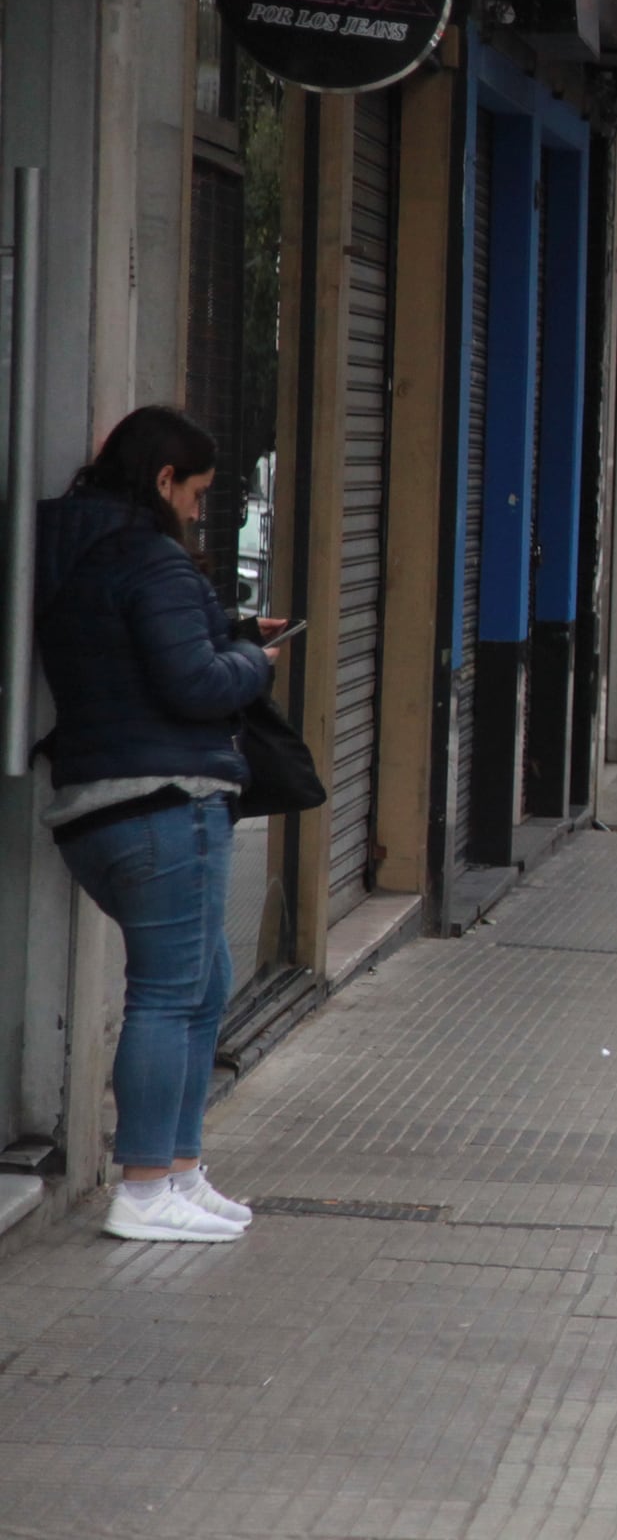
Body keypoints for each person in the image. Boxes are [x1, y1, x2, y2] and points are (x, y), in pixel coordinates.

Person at [34, 406, 286, 1244]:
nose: (198, 512)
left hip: (102, 803)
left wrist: (233, 633)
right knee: (170, 992)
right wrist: (254, 662)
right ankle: (143, 1185)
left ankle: (178, 1168)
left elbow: (133, 652)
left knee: (203, 983)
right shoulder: (153, 560)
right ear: (163, 480)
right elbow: (198, 687)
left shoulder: (74, 552)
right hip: (164, 803)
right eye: (197, 492)